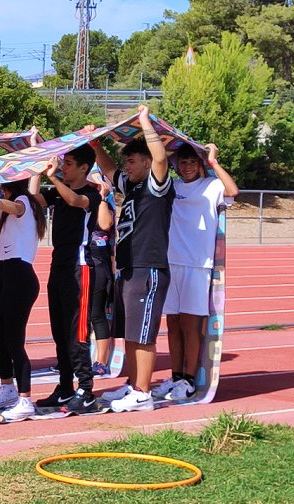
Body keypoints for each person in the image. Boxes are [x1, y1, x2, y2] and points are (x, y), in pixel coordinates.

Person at [92, 105, 175, 412]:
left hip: (147, 267)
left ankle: (143, 393)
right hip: (127, 268)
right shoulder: (132, 187)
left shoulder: (157, 186)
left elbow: (162, 158)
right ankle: (132, 383)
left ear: (146, 162)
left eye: (131, 160)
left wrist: (144, 123)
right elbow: (111, 172)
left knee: (143, 335)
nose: (125, 165)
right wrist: (95, 146)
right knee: (129, 332)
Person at [151, 143, 238, 400]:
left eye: (192, 162)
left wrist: (213, 161)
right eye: (183, 162)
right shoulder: (173, 187)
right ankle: (176, 377)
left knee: (191, 325)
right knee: (173, 324)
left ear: (199, 163)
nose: (187, 167)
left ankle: (189, 379)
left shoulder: (211, 187)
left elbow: (233, 190)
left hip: (198, 264)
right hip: (171, 262)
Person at [31, 145, 102, 414]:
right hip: (58, 268)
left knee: (78, 333)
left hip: (79, 268)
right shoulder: (57, 191)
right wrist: (38, 165)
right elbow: (34, 196)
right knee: (60, 332)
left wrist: (54, 178)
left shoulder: (91, 194)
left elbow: (74, 201)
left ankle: (86, 391)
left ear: (84, 168)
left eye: (69, 163)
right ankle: (65, 387)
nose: (64, 167)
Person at [0, 178, 46, 421]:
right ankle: (7, 388)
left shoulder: (23, 201)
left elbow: (14, 208)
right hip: (5, 272)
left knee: (14, 340)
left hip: (19, 275)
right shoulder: (6, 206)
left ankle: (25, 399)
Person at [88, 168, 117, 376]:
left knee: (97, 314)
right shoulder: (81, 199)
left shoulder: (105, 203)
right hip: (81, 263)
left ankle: (101, 360)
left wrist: (102, 197)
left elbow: (105, 224)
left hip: (100, 263)